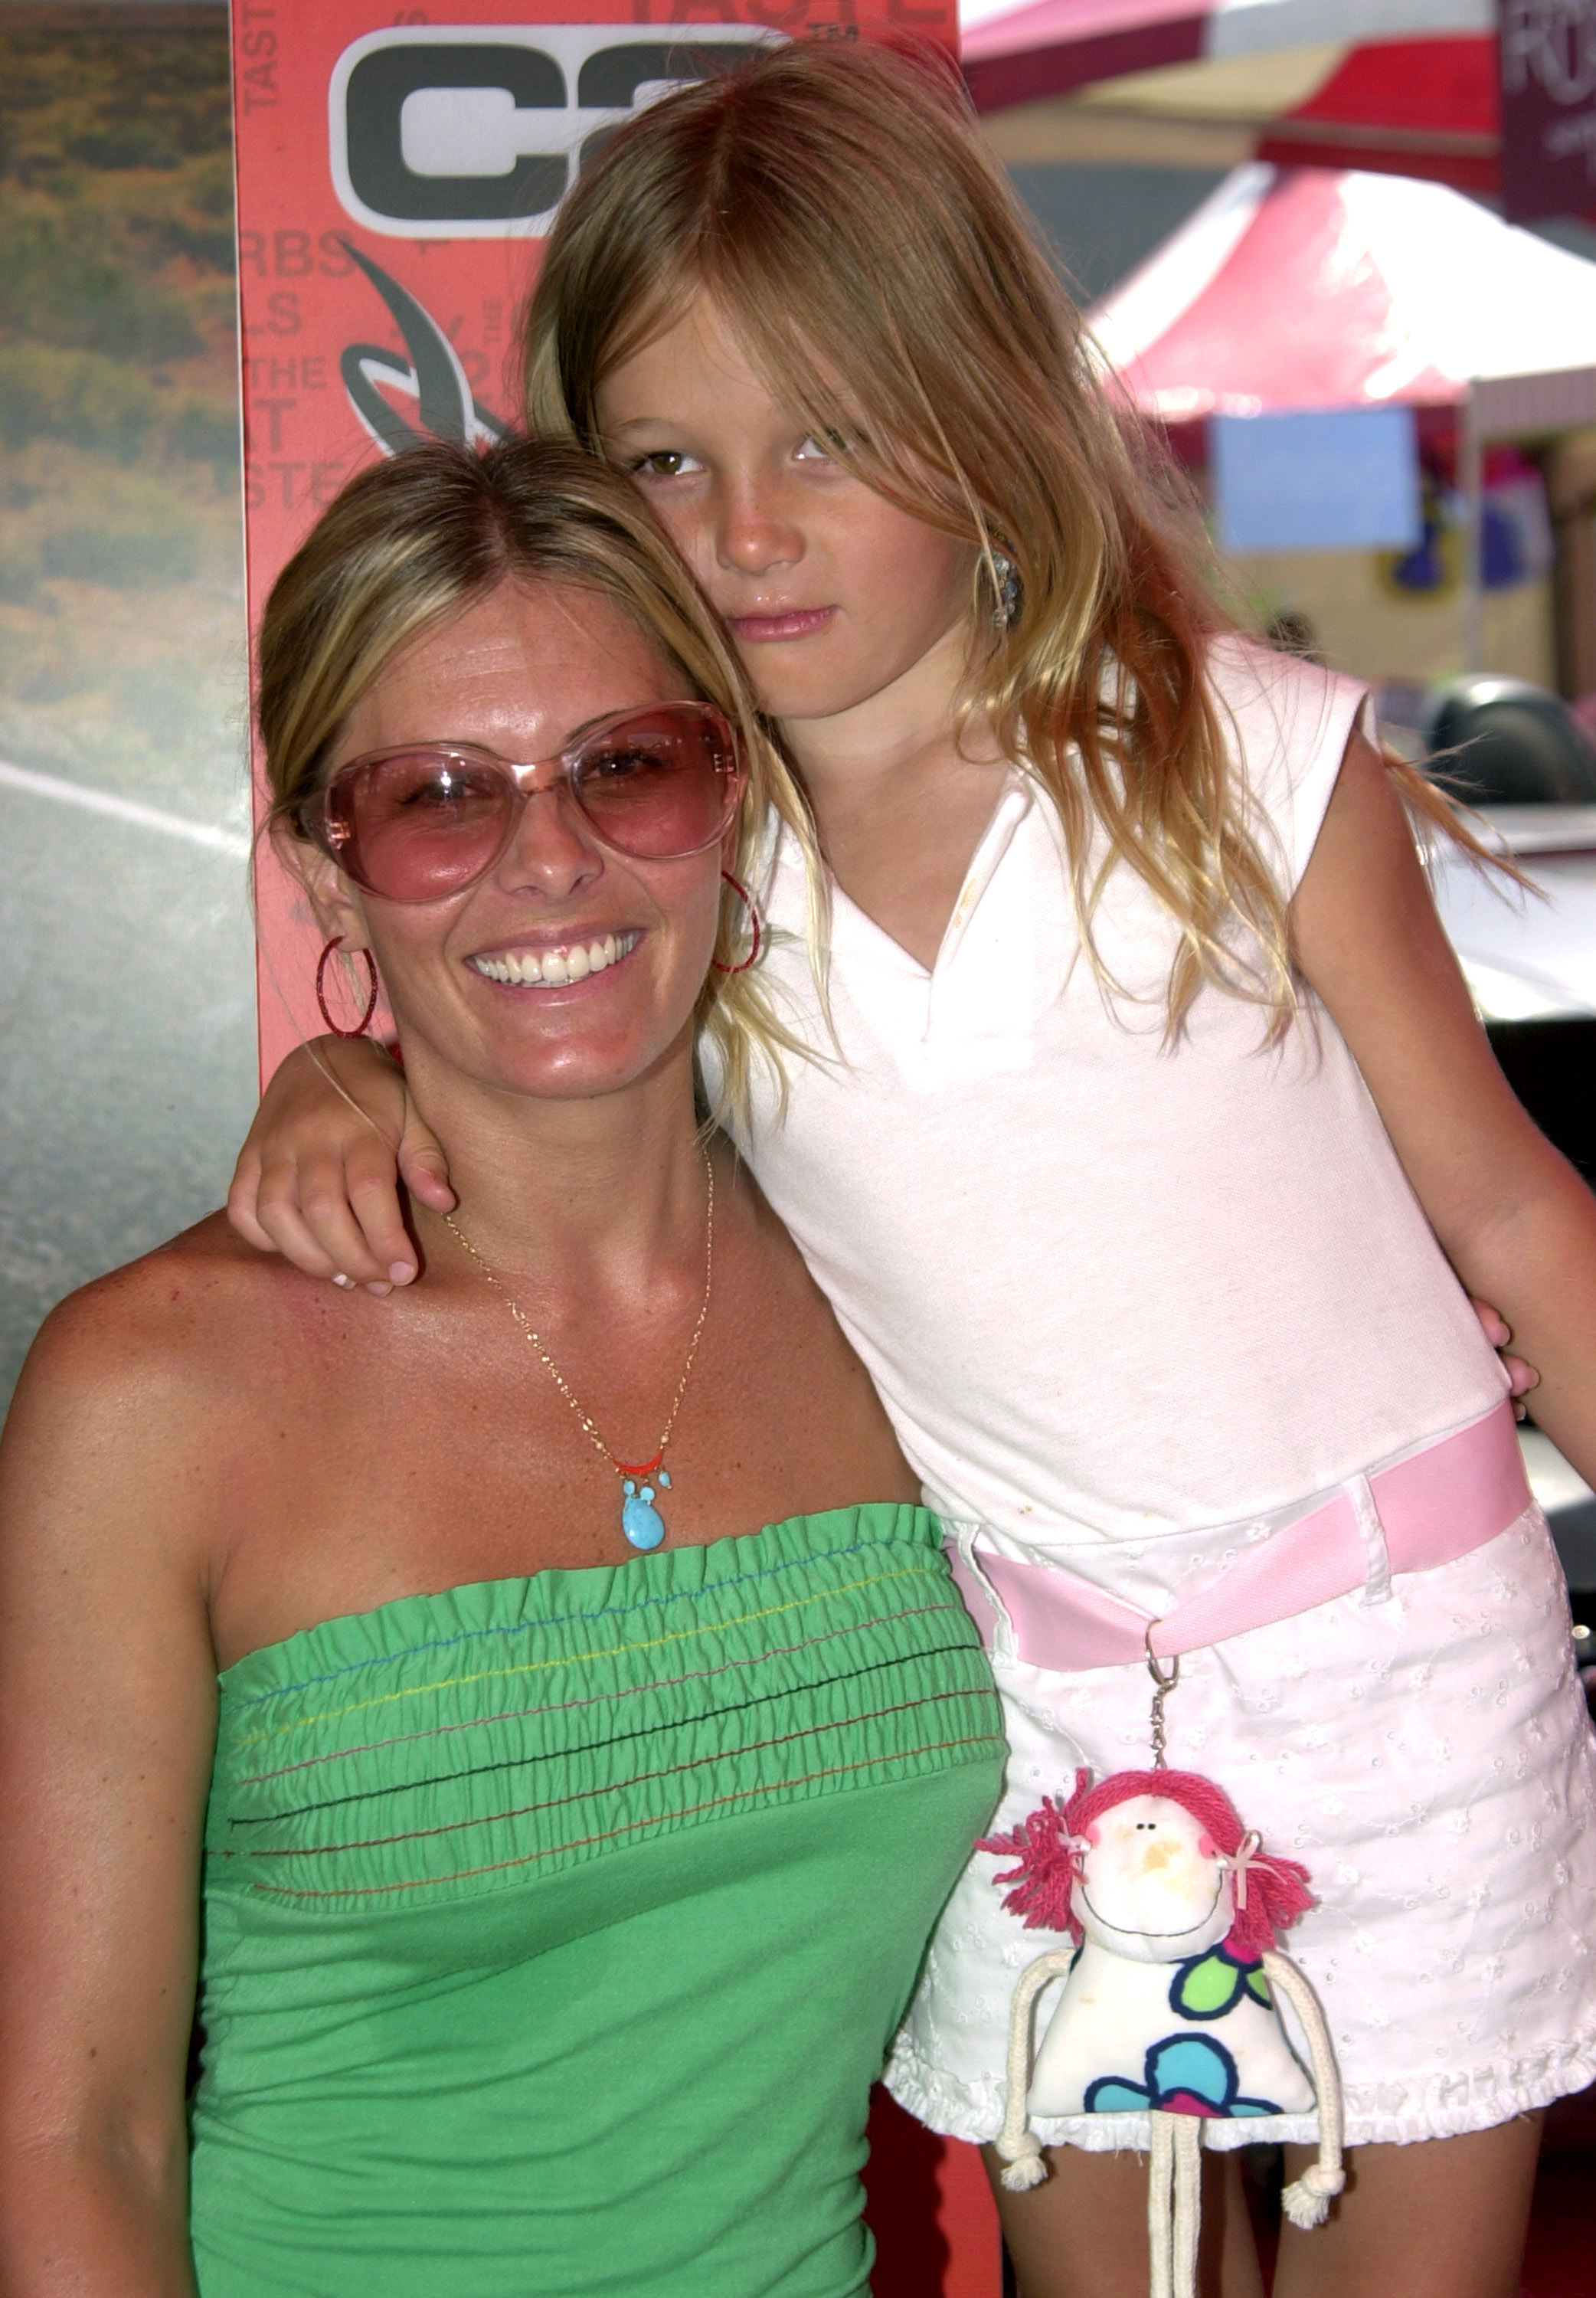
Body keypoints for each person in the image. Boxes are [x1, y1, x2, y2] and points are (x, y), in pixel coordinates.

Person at [221, 42, 1596, 2298]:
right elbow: (540, 1126)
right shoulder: (681, 871)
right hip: (1029, 1716)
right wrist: (342, 1086)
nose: (745, 530)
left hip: (1411, 1683)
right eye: (665, 459)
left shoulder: (1241, 759)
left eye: (830, 439)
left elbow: (1516, 1217)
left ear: (979, 419)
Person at [0, 437, 1009, 2298]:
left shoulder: (917, 1294)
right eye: (439, 800)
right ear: (324, 861)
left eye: (625, 766)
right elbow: (79, 2141)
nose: (551, 859)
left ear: (733, 793)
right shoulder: (154, 1394)